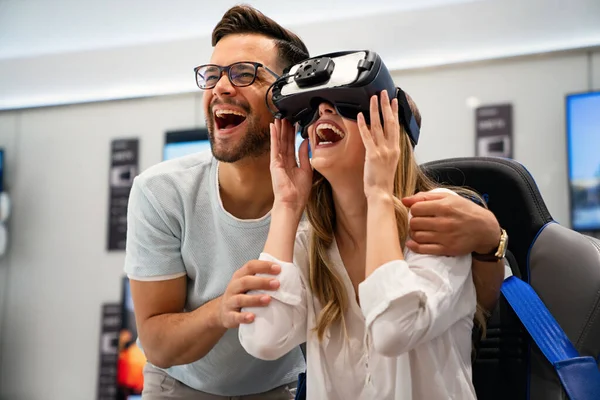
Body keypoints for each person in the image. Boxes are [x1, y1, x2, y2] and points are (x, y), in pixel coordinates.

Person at [124, 5, 506, 399]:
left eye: (243, 73)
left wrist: (489, 237)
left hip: (276, 387)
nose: (221, 87)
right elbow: (260, 337)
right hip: (182, 383)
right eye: (213, 74)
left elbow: (454, 311)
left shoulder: (427, 216)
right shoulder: (309, 236)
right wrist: (288, 206)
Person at [239, 87, 484, 399]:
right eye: (314, 111)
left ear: (391, 135)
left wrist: (380, 193)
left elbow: (394, 330)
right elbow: (262, 339)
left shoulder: (439, 218)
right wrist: (286, 205)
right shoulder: (309, 243)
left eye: (346, 104)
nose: (323, 113)